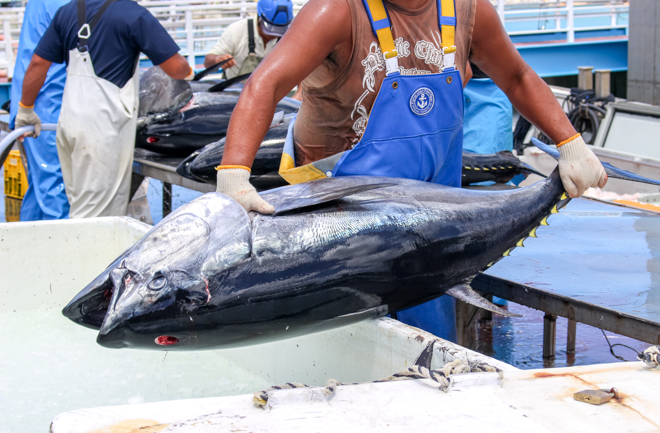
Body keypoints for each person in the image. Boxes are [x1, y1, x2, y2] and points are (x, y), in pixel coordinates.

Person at [213, 0, 607, 340]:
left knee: (426, 341)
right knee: (333, 337)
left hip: (432, 222)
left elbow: (517, 77)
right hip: (335, 217)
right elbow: (264, 84)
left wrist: (570, 143)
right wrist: (234, 174)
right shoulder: (337, 11)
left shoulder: (468, 10)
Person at [15, 0, 193, 218]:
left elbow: (37, 64)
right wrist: (188, 71)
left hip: (69, 127)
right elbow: (176, 68)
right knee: (94, 220)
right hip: (103, 132)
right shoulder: (134, 15)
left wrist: (25, 110)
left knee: (78, 207)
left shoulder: (69, 11)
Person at [9, 0, 70, 221]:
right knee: (56, 188)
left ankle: (23, 248)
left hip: (35, 102)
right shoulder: (63, 3)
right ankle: (58, 252)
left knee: (40, 186)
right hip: (48, 105)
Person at [204, 0, 294, 79]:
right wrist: (217, 60)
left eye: (280, 29)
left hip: (270, 92)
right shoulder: (235, 30)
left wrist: (298, 94)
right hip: (235, 92)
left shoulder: (290, 35)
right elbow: (207, 62)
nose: (274, 35)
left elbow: (299, 68)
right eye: (270, 28)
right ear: (259, 17)